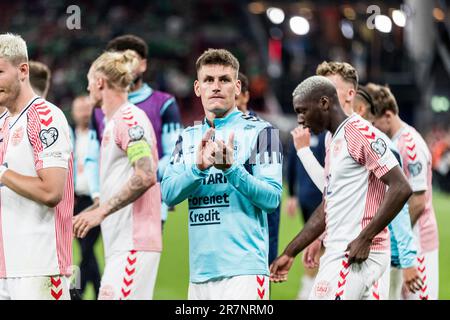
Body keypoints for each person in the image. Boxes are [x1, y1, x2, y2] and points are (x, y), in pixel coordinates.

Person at [270, 75, 412, 300]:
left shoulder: (359, 133)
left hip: (353, 254)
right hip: (343, 251)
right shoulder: (335, 140)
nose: (300, 120)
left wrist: (365, 237)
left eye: (303, 110)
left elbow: (401, 186)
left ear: (324, 103)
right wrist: (290, 252)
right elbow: (328, 207)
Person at [161, 49, 282, 300]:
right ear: (197, 88)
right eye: (209, 80)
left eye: (224, 80)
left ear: (237, 87)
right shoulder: (187, 137)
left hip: (245, 273)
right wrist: (197, 169)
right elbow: (168, 194)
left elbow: (272, 199)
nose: (216, 86)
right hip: (200, 275)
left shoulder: (262, 132)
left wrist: (231, 169)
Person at [72, 50, 161, 300]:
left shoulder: (129, 119)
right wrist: (93, 209)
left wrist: (101, 211)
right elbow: (122, 179)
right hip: (121, 243)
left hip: (133, 241)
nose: (88, 88)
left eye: (89, 81)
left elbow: (145, 175)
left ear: (99, 82)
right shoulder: (114, 122)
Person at [0, 33, 73, 300]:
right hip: (6, 269)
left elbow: (52, 191)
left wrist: (3, 174)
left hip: (40, 266)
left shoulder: (45, 116)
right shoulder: (4, 123)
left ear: (23, 70)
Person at [84, 34, 182, 228]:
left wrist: (136, 181)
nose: (123, 65)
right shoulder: (98, 109)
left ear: (143, 65)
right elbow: (92, 158)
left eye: (127, 59)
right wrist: (97, 194)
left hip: (147, 201)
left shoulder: (163, 103)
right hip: (109, 204)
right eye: (116, 60)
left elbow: (175, 154)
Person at [368, 83, 439, 300]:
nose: (372, 128)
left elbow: (418, 202)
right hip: (404, 244)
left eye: (374, 122)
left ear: (388, 115)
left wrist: (398, 241)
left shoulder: (409, 145)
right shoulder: (394, 141)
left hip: (417, 244)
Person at [355, 85, 420, 299]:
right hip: (376, 244)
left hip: (395, 245)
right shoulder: (351, 140)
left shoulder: (398, 144)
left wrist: (405, 254)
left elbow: (411, 200)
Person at [235, 71, 280, 267]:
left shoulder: (263, 132)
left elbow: (270, 188)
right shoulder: (213, 129)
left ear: (245, 96)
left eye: (235, 95)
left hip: (259, 215)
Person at [70, 95, 101, 298]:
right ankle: (98, 289)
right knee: (85, 248)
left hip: (96, 200)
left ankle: (76, 289)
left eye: (86, 108)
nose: (83, 113)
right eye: (79, 109)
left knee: (87, 247)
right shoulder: (69, 136)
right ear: (73, 112)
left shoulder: (99, 135)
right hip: (75, 199)